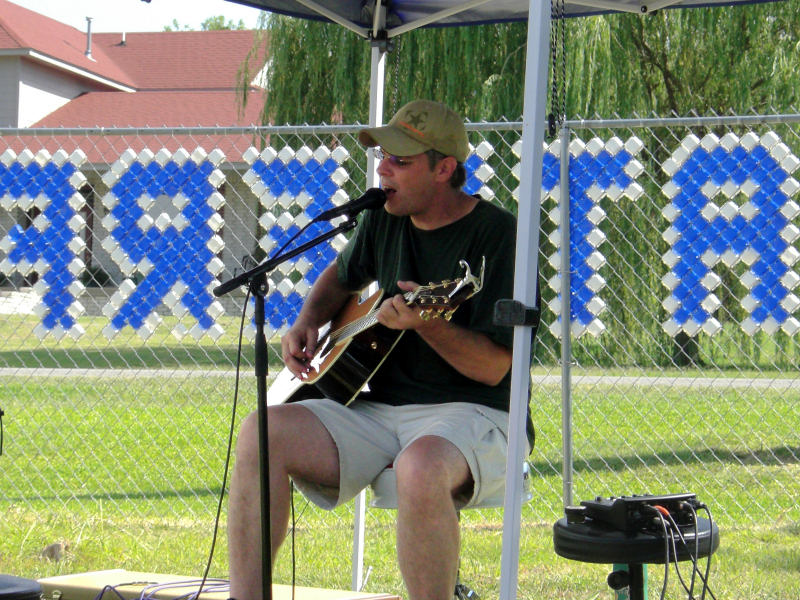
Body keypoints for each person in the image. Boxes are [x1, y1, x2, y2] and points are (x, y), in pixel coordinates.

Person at [227, 99, 531, 600]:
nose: (382, 169)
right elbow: (341, 276)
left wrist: (427, 325)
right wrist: (308, 321)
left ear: (445, 169)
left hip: (476, 414)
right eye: (382, 158)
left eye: (400, 161)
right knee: (262, 433)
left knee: (420, 466)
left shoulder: (499, 237)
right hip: (379, 410)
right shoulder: (383, 219)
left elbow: (496, 368)